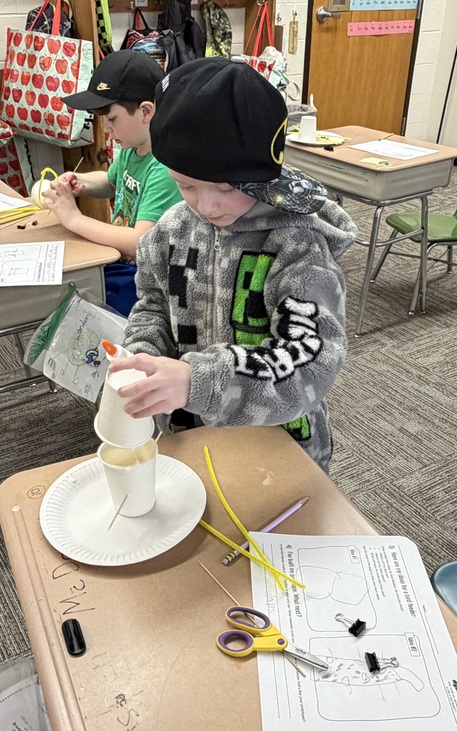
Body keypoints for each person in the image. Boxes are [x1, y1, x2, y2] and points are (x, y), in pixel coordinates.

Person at [107, 58, 356, 471]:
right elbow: (153, 306)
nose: (207, 205)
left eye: (226, 188)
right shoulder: (171, 230)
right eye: (185, 185)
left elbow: (311, 362)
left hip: (281, 449)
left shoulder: (297, 245)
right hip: (190, 437)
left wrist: (197, 381)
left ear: (262, 178)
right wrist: (141, 356)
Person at [42, 50, 183, 316]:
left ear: (145, 111)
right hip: (122, 262)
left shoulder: (164, 166)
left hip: (148, 279)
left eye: (111, 119)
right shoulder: (134, 146)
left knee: (77, 300)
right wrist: (80, 182)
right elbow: (110, 182)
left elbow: (138, 240)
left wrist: (74, 219)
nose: (106, 128)